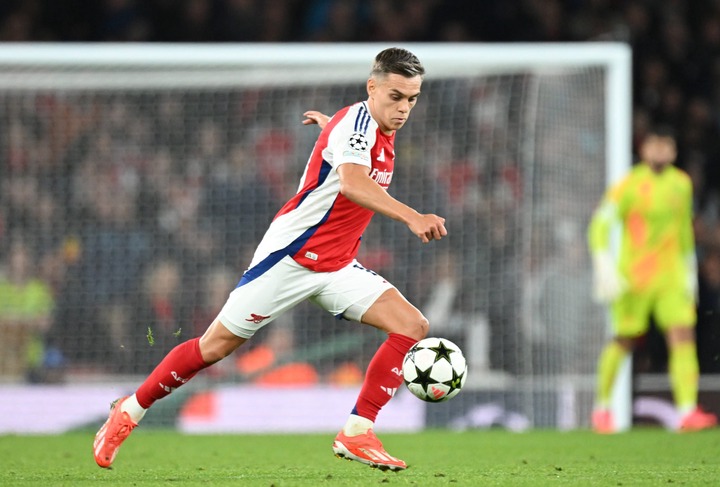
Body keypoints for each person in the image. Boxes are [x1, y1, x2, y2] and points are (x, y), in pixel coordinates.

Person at [93, 47, 446, 471]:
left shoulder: (365, 127)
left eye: (412, 99)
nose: (404, 108)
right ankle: (130, 409)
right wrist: (412, 215)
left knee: (411, 326)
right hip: (291, 257)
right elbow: (352, 183)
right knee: (214, 347)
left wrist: (329, 128)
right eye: (395, 96)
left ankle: (357, 432)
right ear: (372, 87)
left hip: (335, 265)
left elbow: (346, 150)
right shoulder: (356, 124)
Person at [588, 129, 717, 433]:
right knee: (624, 340)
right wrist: (603, 262)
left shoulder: (681, 183)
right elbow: (600, 224)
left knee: (683, 337)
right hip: (635, 278)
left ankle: (687, 411)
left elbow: (684, 228)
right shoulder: (628, 185)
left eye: (666, 145)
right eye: (654, 145)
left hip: (671, 277)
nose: (660, 151)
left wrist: (688, 268)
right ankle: (602, 409)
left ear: (673, 151)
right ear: (645, 150)